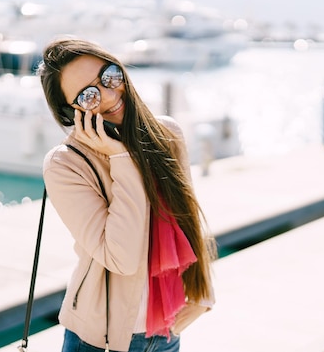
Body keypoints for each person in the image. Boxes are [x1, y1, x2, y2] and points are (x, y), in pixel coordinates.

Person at [37, 37, 216, 352]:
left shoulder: (167, 134)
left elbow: (187, 217)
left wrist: (203, 293)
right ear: (71, 111)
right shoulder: (65, 165)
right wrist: (121, 158)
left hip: (166, 331)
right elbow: (121, 257)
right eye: (88, 95)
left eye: (109, 76)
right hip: (99, 340)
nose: (108, 94)